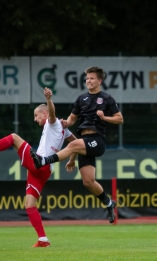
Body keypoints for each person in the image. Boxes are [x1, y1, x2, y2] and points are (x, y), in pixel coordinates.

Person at [0, 87, 77, 248]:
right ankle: (43, 239)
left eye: (36, 115)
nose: (35, 119)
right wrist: (72, 159)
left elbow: (52, 113)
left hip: (40, 163)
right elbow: (75, 143)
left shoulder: (54, 123)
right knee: (29, 204)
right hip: (44, 171)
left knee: (14, 137)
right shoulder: (64, 129)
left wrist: (49, 100)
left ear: (44, 114)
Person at [30, 66, 124, 224]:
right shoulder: (81, 99)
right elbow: (72, 119)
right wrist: (67, 122)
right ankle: (109, 203)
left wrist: (104, 117)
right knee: (88, 182)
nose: (88, 80)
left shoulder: (107, 99)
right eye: (87, 78)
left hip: (97, 140)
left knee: (73, 145)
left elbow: (119, 119)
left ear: (100, 81)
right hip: (84, 142)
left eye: (92, 78)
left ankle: (44, 161)